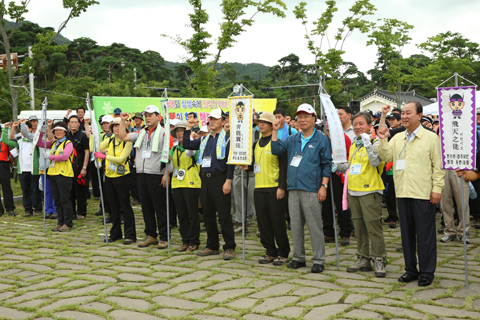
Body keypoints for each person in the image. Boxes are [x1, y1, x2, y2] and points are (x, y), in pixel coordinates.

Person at [377, 103, 445, 287]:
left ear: (419, 115)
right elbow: (386, 157)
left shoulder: (431, 138)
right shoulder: (397, 138)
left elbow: (438, 167)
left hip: (423, 193)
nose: (404, 116)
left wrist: (437, 189)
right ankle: (411, 270)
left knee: (425, 235)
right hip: (403, 191)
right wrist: (383, 139)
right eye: (403, 113)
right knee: (406, 234)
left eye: (409, 113)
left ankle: (427, 271)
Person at [271, 103, 332, 273]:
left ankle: (319, 259)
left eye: (306, 116)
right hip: (293, 188)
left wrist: (323, 186)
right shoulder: (292, 139)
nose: (302, 120)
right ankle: (298, 257)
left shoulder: (321, 139)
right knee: (295, 225)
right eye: (300, 116)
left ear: (314, 119)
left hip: (312, 188)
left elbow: (326, 164)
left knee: (314, 226)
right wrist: (275, 131)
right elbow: (275, 149)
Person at [338, 112, 387, 277]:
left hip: (370, 191)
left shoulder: (375, 142)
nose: (358, 127)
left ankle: (379, 259)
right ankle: (363, 257)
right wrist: (338, 166)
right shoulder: (354, 143)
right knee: (359, 228)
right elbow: (353, 166)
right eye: (355, 124)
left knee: (373, 227)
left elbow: (375, 162)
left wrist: (368, 144)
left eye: (361, 124)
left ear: (369, 126)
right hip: (353, 191)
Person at [183, 109, 236, 260]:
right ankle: (212, 245)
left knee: (224, 215)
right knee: (208, 215)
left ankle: (229, 246)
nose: (211, 121)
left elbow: (230, 162)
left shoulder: (227, 139)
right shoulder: (204, 139)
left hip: (220, 179)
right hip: (205, 179)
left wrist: (228, 181)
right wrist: (188, 128)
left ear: (223, 121)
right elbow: (187, 144)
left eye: (215, 119)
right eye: (210, 119)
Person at [118, 106, 171, 249]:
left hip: (156, 174)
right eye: (146, 115)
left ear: (158, 116)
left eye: (150, 115)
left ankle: (165, 237)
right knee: (146, 206)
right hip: (141, 173)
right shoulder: (142, 132)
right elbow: (123, 137)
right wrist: (123, 121)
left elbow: (169, 155)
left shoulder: (165, 133)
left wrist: (166, 173)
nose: (147, 118)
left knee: (160, 207)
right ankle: (151, 235)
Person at [249, 112, 290, 265]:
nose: (261, 124)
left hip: (274, 188)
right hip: (259, 187)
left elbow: (284, 167)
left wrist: (281, 187)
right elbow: (253, 165)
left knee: (277, 222)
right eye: (259, 122)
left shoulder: (279, 144)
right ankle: (269, 251)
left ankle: (283, 252)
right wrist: (245, 166)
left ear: (273, 125)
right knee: (263, 222)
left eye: (265, 122)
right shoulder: (255, 144)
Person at [94, 117, 136, 245]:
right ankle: (115, 233)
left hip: (122, 177)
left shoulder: (127, 141)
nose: (117, 128)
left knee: (125, 206)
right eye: (115, 126)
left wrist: (105, 155)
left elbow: (121, 159)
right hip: (109, 177)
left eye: (119, 126)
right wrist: (90, 129)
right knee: (113, 207)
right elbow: (95, 147)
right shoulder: (110, 140)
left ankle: (130, 235)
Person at [166, 121, 201, 252]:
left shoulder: (191, 146)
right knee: (182, 214)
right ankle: (185, 240)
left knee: (192, 214)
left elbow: (191, 153)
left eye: (182, 131)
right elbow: (170, 167)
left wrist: (189, 131)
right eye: (178, 131)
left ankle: (194, 240)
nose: (180, 134)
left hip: (191, 183)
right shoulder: (173, 149)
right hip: (176, 184)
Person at [38, 120, 74, 232]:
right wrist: (41, 132)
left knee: (65, 200)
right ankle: (60, 221)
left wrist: (50, 157)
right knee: (57, 200)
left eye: (60, 130)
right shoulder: (54, 142)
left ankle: (68, 223)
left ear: (65, 132)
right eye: (56, 130)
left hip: (64, 174)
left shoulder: (68, 143)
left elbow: (64, 156)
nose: (58, 132)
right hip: (53, 174)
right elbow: (39, 143)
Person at [322, 117, 353, 246]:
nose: (328, 123)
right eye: (326, 120)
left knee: (341, 204)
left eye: (330, 120)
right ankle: (328, 232)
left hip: (338, 173)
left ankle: (345, 233)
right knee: (325, 204)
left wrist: (338, 163)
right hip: (324, 174)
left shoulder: (343, 138)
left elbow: (348, 155)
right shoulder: (321, 138)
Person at [5, 121, 43, 217]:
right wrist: (5, 129)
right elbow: (6, 141)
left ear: (30, 129)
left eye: (25, 128)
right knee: (25, 190)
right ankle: (28, 209)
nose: (23, 131)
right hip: (23, 170)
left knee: (35, 190)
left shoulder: (35, 140)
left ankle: (37, 208)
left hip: (33, 170)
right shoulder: (19, 141)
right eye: (22, 129)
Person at [64, 115, 90, 221]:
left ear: (79, 124)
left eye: (76, 122)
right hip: (69, 167)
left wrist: (84, 167)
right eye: (72, 122)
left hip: (79, 166)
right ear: (68, 124)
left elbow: (87, 151)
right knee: (70, 191)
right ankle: (72, 212)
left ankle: (81, 212)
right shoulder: (66, 136)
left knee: (80, 191)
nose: (74, 124)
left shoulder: (83, 136)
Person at [0, 124, 15, 217]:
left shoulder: (6, 141)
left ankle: (10, 208)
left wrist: (9, 163)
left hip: (3, 165)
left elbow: (13, 154)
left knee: (6, 187)